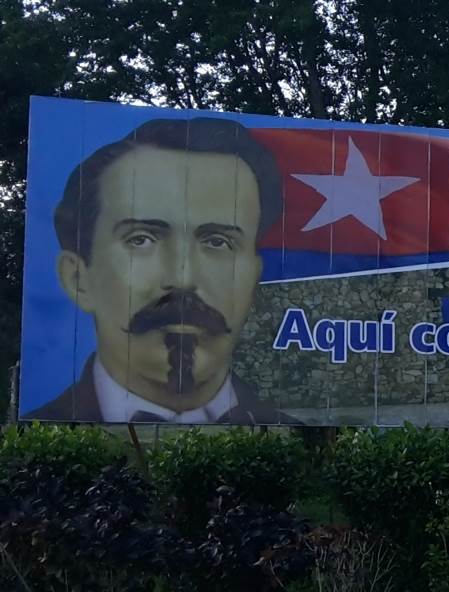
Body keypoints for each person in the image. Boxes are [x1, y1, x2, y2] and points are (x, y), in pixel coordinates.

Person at [25, 116, 298, 424]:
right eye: (141, 240)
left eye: (218, 243)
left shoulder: (298, 443)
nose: (182, 278)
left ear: (254, 279)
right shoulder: (37, 446)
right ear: (78, 278)